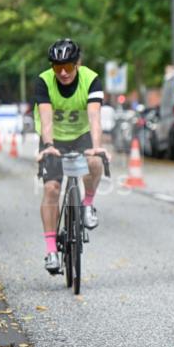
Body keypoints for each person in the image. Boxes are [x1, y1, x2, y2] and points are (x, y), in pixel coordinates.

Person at [34, 39, 108, 274]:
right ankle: (51, 251)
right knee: (51, 189)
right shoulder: (44, 81)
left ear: (78, 64)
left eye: (67, 66)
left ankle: (87, 204)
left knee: (95, 160)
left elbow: (94, 117)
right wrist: (48, 145)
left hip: (82, 134)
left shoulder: (91, 79)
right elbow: (46, 118)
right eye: (58, 67)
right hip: (54, 138)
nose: (63, 73)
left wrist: (96, 146)